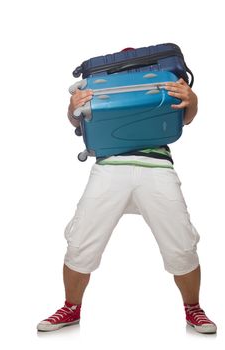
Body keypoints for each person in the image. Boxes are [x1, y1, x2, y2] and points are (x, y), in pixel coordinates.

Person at [37, 58, 216, 334]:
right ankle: (71, 308)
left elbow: (187, 118)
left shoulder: (167, 78)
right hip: (109, 167)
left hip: (157, 166)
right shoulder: (98, 82)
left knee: (181, 242)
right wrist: (73, 108)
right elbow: (78, 122)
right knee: (81, 240)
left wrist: (192, 98)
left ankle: (194, 309)